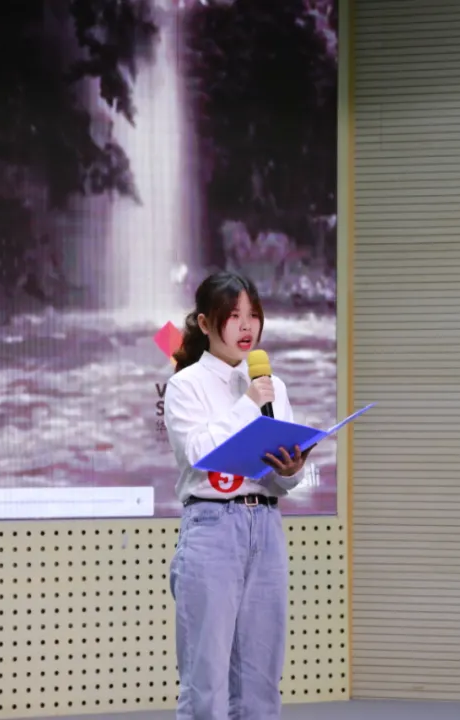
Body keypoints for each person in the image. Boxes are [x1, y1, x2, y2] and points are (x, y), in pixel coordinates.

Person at [163, 270, 311, 720]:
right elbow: (199, 453)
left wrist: (292, 471)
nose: (247, 326)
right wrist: (248, 402)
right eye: (233, 316)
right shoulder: (186, 384)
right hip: (212, 527)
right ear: (205, 323)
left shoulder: (274, 386)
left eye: (254, 315)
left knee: (261, 680)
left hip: (265, 525)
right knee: (206, 680)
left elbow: (282, 480)